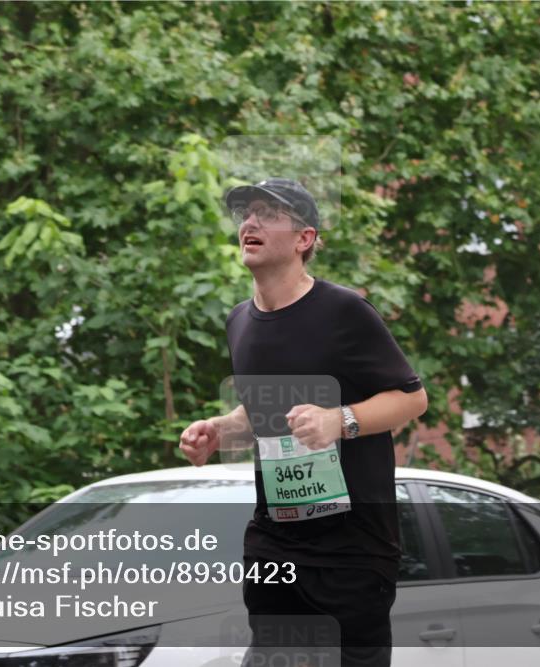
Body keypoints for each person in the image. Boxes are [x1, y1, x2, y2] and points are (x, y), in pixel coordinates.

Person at [179, 178, 428, 667]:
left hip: (352, 552)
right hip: (274, 543)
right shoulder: (240, 321)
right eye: (245, 214)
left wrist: (340, 421)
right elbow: (260, 412)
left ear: (304, 239)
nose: (249, 223)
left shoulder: (343, 311)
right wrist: (219, 429)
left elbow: (412, 398)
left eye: (268, 214)